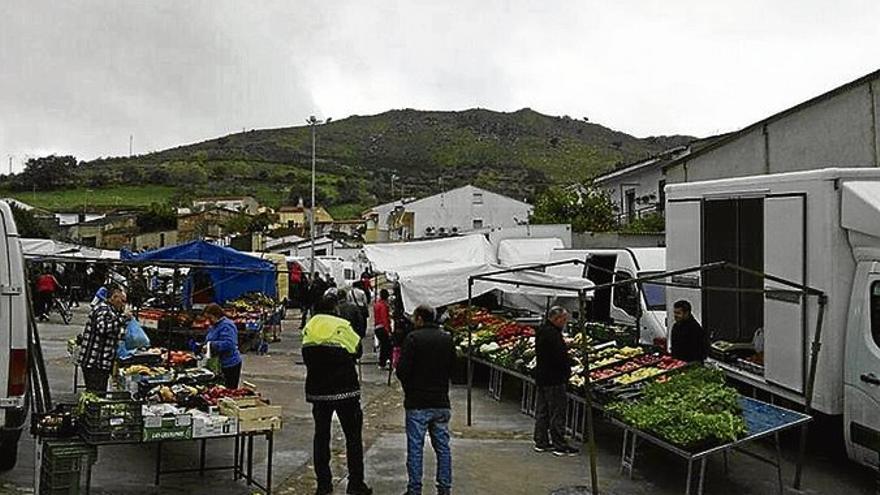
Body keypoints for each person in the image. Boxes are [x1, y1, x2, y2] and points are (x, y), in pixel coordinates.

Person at [302, 296, 373, 495]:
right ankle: (355, 483)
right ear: (335, 309)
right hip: (345, 390)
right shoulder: (342, 325)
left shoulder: (309, 327)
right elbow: (357, 350)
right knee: (353, 438)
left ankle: (323, 485)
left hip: (318, 392)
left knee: (321, 437)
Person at [396, 305, 456, 495]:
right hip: (440, 401)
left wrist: (410, 385)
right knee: (443, 448)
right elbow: (454, 368)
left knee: (415, 448)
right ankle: (444, 487)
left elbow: (403, 370)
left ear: (420, 319)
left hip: (417, 401)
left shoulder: (413, 339)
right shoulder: (447, 339)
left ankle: (414, 489)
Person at [533, 306, 579, 456]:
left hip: (542, 377)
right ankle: (559, 444)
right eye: (563, 319)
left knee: (543, 411)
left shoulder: (542, 330)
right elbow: (559, 357)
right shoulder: (553, 334)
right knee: (557, 411)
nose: (565, 322)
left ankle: (541, 441)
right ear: (556, 319)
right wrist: (570, 364)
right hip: (554, 378)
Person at [78, 287, 130, 392]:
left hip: (102, 362)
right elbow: (103, 328)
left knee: (99, 392)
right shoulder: (103, 309)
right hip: (95, 362)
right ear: (113, 298)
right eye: (122, 301)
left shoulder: (112, 311)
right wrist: (123, 318)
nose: (124, 304)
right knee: (96, 393)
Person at [202, 303, 243, 389]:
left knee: (229, 389)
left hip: (230, 364)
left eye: (209, 318)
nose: (208, 320)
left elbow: (229, 344)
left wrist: (211, 345)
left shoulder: (227, 326)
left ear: (216, 315)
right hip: (218, 363)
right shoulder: (215, 326)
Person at [373, 289, 393, 369]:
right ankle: (384, 362)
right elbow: (384, 318)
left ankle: (384, 362)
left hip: (377, 327)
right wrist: (388, 330)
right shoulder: (383, 306)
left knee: (384, 345)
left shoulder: (377, 304)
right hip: (382, 327)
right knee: (386, 346)